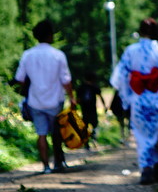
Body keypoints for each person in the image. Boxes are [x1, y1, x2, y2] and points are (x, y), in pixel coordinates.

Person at [110, 17, 158, 185]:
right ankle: (157, 167)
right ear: (156, 33)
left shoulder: (130, 51)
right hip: (157, 100)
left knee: (142, 136)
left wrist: (126, 98)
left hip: (138, 99)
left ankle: (146, 170)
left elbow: (122, 76)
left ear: (140, 32)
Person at [14, 19, 77, 174]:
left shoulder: (27, 55)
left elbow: (20, 79)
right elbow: (66, 80)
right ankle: (58, 163)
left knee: (41, 133)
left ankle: (45, 167)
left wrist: (30, 87)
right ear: (50, 35)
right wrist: (72, 97)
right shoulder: (58, 55)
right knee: (56, 133)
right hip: (55, 100)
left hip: (35, 101)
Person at [76, 71, 106, 149]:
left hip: (84, 109)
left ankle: (87, 142)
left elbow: (77, 99)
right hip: (92, 109)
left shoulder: (81, 87)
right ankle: (93, 138)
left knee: (85, 126)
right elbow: (100, 96)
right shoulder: (94, 87)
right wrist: (104, 106)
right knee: (94, 124)